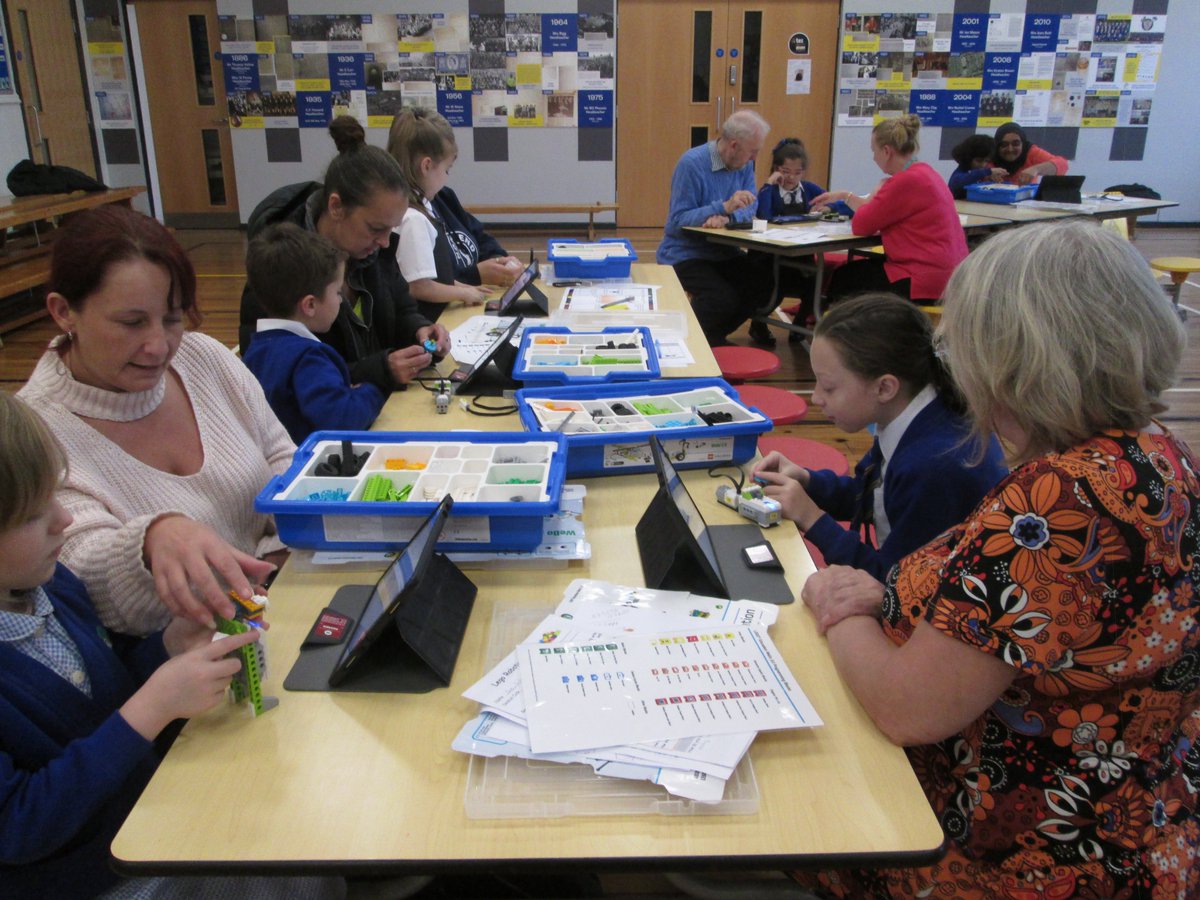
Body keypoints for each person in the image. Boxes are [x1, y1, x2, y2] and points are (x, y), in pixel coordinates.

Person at [796, 220, 1200, 897]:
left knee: (788, 791)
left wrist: (843, 606)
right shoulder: (1163, 455)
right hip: (1138, 812)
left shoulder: (1052, 505)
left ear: (1009, 360)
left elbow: (906, 709)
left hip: (1021, 848)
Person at [0, 391, 262, 897]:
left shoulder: (52, 587)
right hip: (92, 878)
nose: (65, 520)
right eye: (34, 516)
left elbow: (107, 691)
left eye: (55, 497)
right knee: (269, 857)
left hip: (144, 816)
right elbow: (20, 826)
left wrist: (167, 647)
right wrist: (152, 708)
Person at [18, 205, 295, 636]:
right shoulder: (34, 432)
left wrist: (276, 560)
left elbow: (283, 458)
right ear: (63, 311)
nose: (158, 346)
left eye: (172, 318)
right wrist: (150, 540)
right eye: (131, 323)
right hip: (186, 669)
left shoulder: (205, 358)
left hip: (286, 603)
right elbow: (86, 578)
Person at [753, 293, 1005, 580]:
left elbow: (892, 583)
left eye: (828, 387)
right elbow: (873, 495)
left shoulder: (934, 466)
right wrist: (808, 482)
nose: (817, 398)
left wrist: (811, 518)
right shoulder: (912, 414)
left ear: (885, 388)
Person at [239, 115, 448, 393]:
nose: (386, 242)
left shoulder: (373, 251)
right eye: (375, 228)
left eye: (391, 229)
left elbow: (401, 310)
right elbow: (287, 376)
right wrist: (380, 370)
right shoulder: (278, 269)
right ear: (336, 206)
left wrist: (421, 332)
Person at [242, 223, 387, 443]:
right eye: (337, 292)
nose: (340, 300)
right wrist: (370, 392)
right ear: (310, 304)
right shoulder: (308, 358)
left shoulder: (256, 349)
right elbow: (343, 419)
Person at [813, 114, 967, 304]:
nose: (873, 157)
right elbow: (877, 212)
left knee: (843, 279)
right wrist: (845, 196)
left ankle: (844, 331)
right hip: (950, 275)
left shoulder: (903, 182)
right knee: (856, 273)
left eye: (874, 151)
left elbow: (861, 225)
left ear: (886, 151)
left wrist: (877, 191)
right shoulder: (926, 173)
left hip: (924, 278)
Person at [387, 107, 522, 321]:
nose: (447, 178)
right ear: (427, 166)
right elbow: (417, 286)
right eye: (447, 170)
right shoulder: (412, 218)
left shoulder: (433, 202)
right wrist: (463, 291)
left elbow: (440, 277)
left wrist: (464, 285)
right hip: (431, 322)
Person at [656, 109, 776, 347]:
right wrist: (722, 207)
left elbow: (751, 206)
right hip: (685, 253)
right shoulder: (691, 164)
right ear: (733, 145)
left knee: (761, 285)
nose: (754, 158)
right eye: (752, 151)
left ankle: (711, 338)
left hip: (723, 252)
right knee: (721, 297)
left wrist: (727, 218)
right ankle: (687, 343)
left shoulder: (743, 166)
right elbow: (679, 219)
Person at [754, 137, 850, 220]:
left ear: (803, 171)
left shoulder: (809, 189)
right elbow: (763, 216)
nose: (791, 177)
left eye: (797, 173)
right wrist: (769, 182)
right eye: (786, 171)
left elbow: (849, 207)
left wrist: (829, 208)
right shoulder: (769, 191)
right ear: (776, 169)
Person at [993, 121, 1069, 185]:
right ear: (997, 145)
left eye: (1016, 144)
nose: (1010, 149)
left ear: (1023, 143)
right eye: (1004, 145)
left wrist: (1036, 169)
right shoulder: (989, 152)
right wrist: (986, 173)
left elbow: (1063, 164)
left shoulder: (1030, 152)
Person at [946, 133, 1005, 199]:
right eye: (979, 161)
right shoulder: (959, 175)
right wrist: (988, 171)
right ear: (968, 158)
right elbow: (962, 180)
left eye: (986, 161)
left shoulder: (975, 174)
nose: (983, 165)